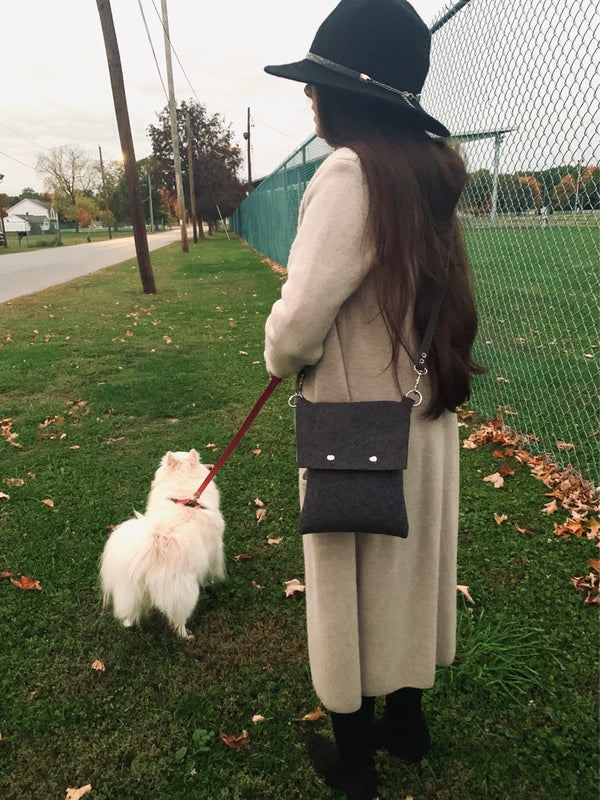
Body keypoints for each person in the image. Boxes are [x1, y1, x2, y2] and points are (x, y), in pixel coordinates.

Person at [263, 2, 483, 798]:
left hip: (354, 422)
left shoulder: (350, 174)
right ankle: (408, 724)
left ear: (350, 96)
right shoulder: (429, 171)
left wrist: (275, 340)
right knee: (410, 568)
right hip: (424, 415)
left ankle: (355, 763)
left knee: (350, 582)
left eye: (319, 86)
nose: (311, 100)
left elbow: (297, 327)